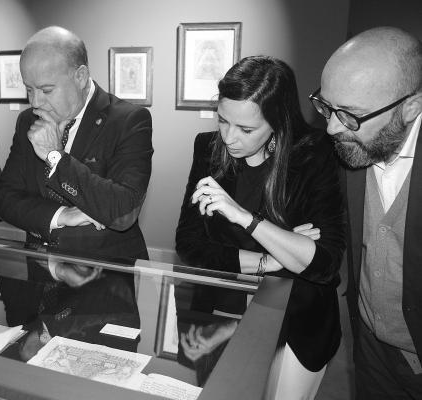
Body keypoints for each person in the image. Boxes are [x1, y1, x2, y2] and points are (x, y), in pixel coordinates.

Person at [176, 55, 346, 399]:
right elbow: (189, 244)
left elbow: (324, 265)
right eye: (223, 120)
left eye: (246, 129)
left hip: (297, 320)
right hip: (221, 308)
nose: (229, 137)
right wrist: (275, 258)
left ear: (278, 122)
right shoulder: (207, 148)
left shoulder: (315, 153)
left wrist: (245, 218)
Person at [313, 26, 422, 399]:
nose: (331, 127)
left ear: (411, 106)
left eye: (350, 115)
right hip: (370, 347)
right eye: (326, 106)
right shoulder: (353, 146)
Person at [0, 26, 153, 266]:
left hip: (106, 272)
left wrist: (55, 157)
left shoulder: (128, 120)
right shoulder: (28, 121)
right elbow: (4, 198)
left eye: (46, 90)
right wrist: (60, 216)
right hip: (42, 268)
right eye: (29, 89)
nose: (35, 102)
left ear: (80, 76)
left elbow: (122, 212)